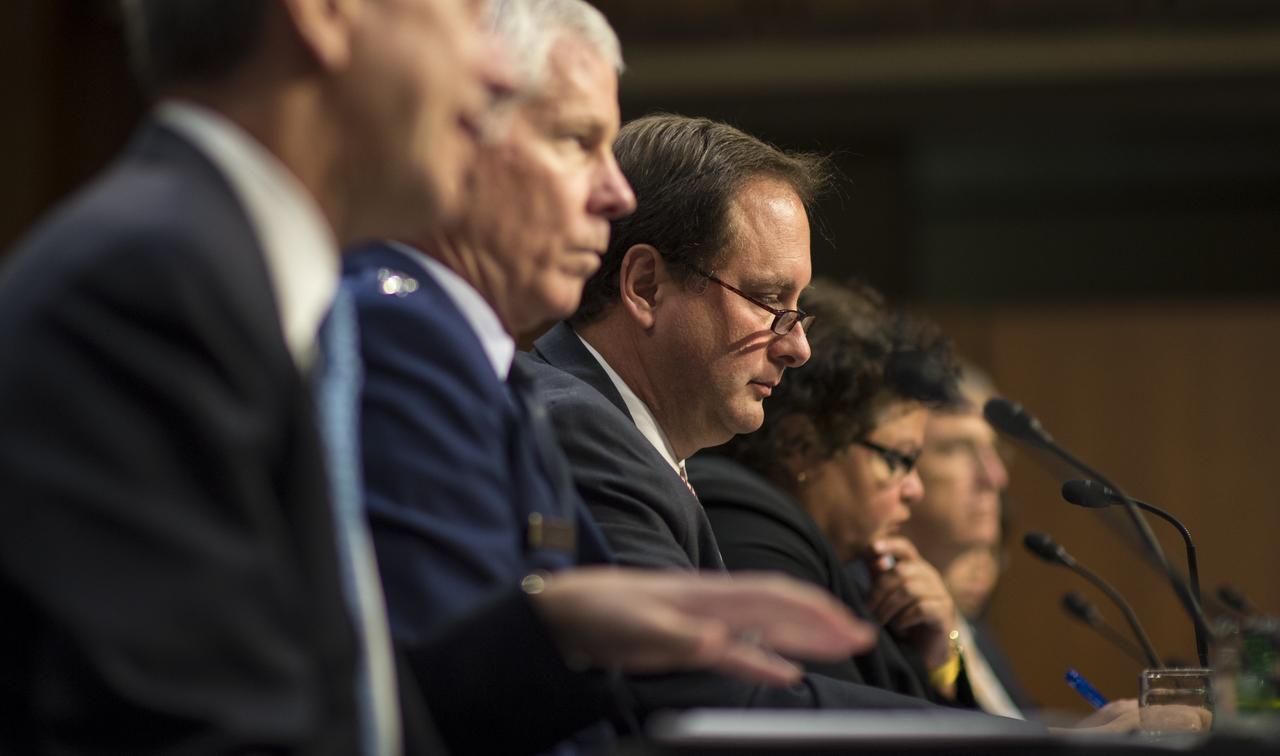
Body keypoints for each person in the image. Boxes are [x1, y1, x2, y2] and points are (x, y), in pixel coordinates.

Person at [0, 2, 874, 753]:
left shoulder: (240, 283)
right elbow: (196, 725)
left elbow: (353, 700)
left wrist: (551, 633)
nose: (491, 64)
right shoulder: (153, 287)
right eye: (460, 15)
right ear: (326, 14)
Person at [521, 113, 970, 715]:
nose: (797, 346)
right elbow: (711, 696)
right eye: (765, 300)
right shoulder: (580, 428)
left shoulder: (614, 431)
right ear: (647, 285)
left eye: (798, 308)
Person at [691, 278, 970, 706]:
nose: (915, 489)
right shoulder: (742, 524)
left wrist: (936, 655)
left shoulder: (862, 574)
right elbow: (846, 732)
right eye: (898, 459)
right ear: (798, 447)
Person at [902, 361, 1035, 716]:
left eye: (994, 450)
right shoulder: (885, 611)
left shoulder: (971, 628)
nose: (995, 477)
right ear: (900, 460)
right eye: (957, 448)